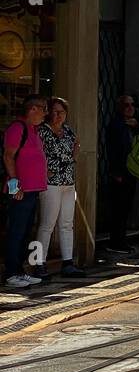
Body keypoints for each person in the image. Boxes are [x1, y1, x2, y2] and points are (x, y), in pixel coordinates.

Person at [35, 97, 85, 280]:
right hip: (50, 183)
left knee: (66, 224)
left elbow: (74, 150)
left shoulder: (68, 131)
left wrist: (75, 153)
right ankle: (38, 263)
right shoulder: (42, 131)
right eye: (55, 112)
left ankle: (68, 262)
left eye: (61, 112)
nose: (58, 115)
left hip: (68, 182)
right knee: (47, 224)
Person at [3, 95, 48, 288]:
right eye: (43, 108)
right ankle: (11, 273)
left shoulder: (33, 130)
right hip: (21, 191)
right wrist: (15, 187)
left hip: (32, 190)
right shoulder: (17, 128)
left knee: (25, 231)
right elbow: (8, 156)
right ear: (32, 109)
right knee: (16, 231)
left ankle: (20, 270)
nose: (46, 113)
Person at [105, 95, 139, 255]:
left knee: (126, 208)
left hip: (132, 172)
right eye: (126, 105)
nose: (130, 107)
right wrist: (115, 172)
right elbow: (112, 150)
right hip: (120, 173)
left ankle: (121, 240)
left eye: (133, 104)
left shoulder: (133, 125)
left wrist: (137, 127)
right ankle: (116, 241)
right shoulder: (116, 125)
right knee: (118, 209)